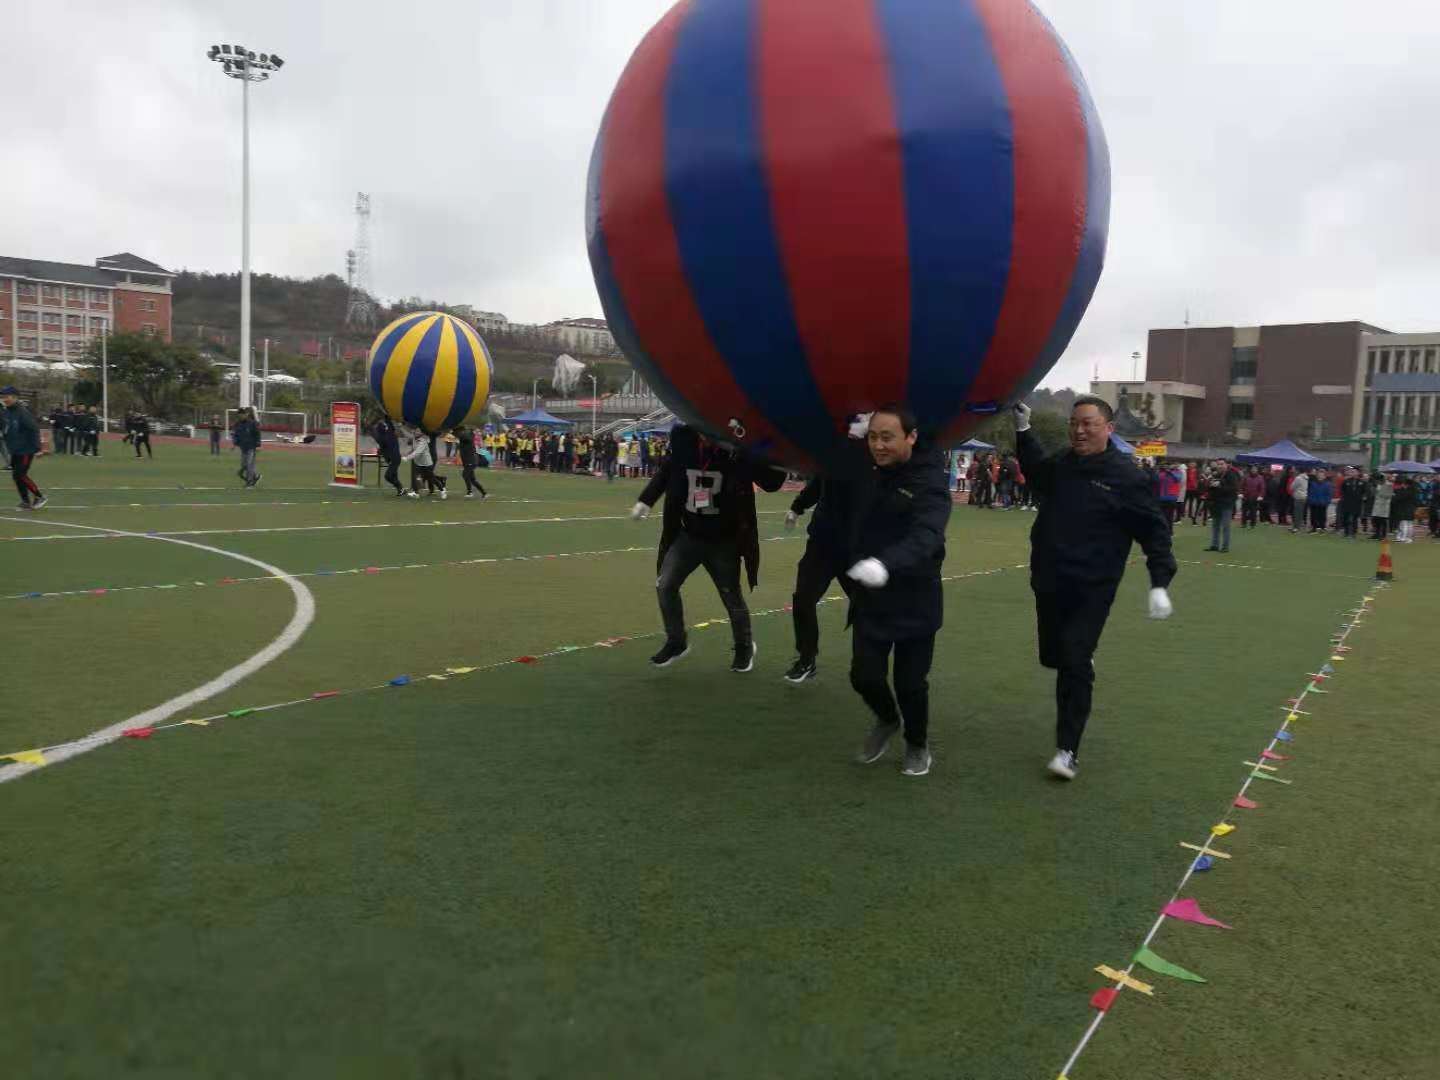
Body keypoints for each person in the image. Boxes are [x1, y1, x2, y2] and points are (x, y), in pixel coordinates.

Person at [1015, 397, 1176, 780]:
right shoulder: (1062, 464)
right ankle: (1079, 659)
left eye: (1088, 423)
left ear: (1109, 429)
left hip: (1093, 587)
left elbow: (1154, 531)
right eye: (1074, 423)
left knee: (1073, 660)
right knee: (1055, 657)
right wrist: (1023, 430)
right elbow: (1036, 472)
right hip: (1049, 579)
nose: (1079, 430)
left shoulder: (1127, 478)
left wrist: (1159, 583)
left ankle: (1067, 749)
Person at [846, 406, 951, 778]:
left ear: (912, 437)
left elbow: (927, 536)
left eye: (887, 437)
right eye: (873, 437)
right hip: (871, 599)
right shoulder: (872, 470)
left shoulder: (930, 482)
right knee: (863, 676)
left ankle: (917, 743)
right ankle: (887, 719)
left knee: (910, 684)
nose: (878, 445)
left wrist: (886, 564)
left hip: (914, 599)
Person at [631, 424, 787, 673]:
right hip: (689, 534)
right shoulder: (686, 443)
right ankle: (677, 641)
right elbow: (667, 471)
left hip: (724, 540)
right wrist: (646, 500)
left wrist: (772, 453)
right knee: (665, 585)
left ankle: (745, 646)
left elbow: (771, 481)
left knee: (731, 596)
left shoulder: (736, 448)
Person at [781, 414, 870, 684]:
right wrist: (797, 507)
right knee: (803, 599)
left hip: (855, 548)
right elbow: (820, 483)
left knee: (866, 607)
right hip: (822, 543)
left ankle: (868, 660)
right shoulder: (835, 454)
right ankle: (807, 658)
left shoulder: (873, 459)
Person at [2, 388, 47, 510]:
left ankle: (40, 497)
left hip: (25, 449)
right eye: (3, 397)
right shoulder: (6, 412)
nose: (5, 399)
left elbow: (33, 430)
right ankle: (25, 502)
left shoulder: (22, 412)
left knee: (20, 474)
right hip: (15, 449)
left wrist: (38, 448)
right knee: (16, 476)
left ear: (15, 397)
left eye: (7, 396)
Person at [1205, 459, 1239, 552]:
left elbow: (1233, 489)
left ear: (1226, 465)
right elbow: (1209, 488)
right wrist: (1210, 484)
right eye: (1218, 464)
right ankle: (1214, 545)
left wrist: (1220, 485)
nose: (1220, 466)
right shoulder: (1215, 475)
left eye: (1222, 464)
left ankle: (1225, 547)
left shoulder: (1231, 475)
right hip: (1216, 504)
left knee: (1225, 526)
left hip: (1227, 504)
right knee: (1215, 526)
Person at [403, 427, 441, 498]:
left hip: (430, 458)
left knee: (428, 476)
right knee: (419, 476)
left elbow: (439, 432)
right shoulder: (417, 437)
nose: (416, 432)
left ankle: (439, 485)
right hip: (420, 459)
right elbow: (409, 439)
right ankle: (417, 492)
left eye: (418, 431)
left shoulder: (429, 435)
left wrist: (408, 457)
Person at [372, 415, 404, 496]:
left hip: (394, 459)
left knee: (388, 476)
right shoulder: (389, 432)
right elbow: (388, 422)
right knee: (394, 476)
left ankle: (401, 488)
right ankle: (401, 490)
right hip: (393, 458)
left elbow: (381, 444)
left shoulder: (383, 437)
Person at [453, 425, 488, 499]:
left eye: (457, 432)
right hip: (468, 461)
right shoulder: (465, 436)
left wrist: (460, 435)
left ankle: (470, 492)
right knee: (472, 479)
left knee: (465, 475)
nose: (456, 434)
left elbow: (466, 437)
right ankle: (484, 493)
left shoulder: (467, 436)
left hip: (471, 460)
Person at [233, 407, 262, 487]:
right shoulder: (238, 424)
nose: (241, 416)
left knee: (249, 464)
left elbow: (257, 434)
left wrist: (258, 445)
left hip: (251, 447)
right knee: (244, 465)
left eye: (242, 415)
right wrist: (235, 443)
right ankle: (256, 476)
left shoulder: (252, 423)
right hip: (243, 448)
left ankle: (249, 482)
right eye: (239, 415)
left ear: (246, 414)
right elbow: (236, 435)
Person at [1338, 468, 1366, 539]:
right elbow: (1342, 490)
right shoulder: (1346, 481)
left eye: (1354, 472)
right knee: (1346, 517)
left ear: (1358, 473)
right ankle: (1346, 532)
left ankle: (1353, 533)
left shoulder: (1361, 482)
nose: (1353, 473)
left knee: (1354, 519)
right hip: (1347, 503)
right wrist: (1343, 498)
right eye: (1352, 472)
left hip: (1357, 503)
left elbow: (1364, 491)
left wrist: (1362, 497)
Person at [1306, 469, 1333, 534]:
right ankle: (1314, 528)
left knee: (1322, 516)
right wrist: (1310, 500)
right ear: (1317, 475)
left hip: (1323, 503)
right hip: (1314, 502)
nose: (1320, 476)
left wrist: (1327, 501)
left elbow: (1329, 494)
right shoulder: (1313, 483)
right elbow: (1310, 492)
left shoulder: (1328, 484)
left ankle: (1322, 528)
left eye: (1322, 475)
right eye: (1319, 475)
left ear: (1324, 476)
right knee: (1313, 516)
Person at [1391, 477, 1417, 543]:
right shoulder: (1412, 490)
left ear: (1406, 484)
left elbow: (1398, 498)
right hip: (1410, 509)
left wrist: (1394, 495)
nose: (1402, 484)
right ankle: (1403, 538)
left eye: (1403, 483)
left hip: (1405, 509)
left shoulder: (1408, 491)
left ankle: (1404, 538)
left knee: (1404, 523)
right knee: (1407, 524)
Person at [1369, 473, 1393, 540]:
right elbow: (1375, 494)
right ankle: (1376, 534)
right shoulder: (1378, 484)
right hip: (1377, 505)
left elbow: (1389, 495)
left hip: (1384, 505)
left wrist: (1379, 492)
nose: (1378, 481)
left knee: (1383, 521)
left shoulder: (1389, 485)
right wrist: (1373, 490)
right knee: (1375, 520)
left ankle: (1383, 535)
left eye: (1379, 480)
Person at [1289, 470, 1309, 534]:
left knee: (1297, 513)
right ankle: (1298, 527)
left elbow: (1292, 487)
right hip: (1304, 496)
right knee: (1300, 513)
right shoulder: (1307, 478)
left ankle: (1296, 528)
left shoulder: (1298, 478)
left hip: (1298, 496)